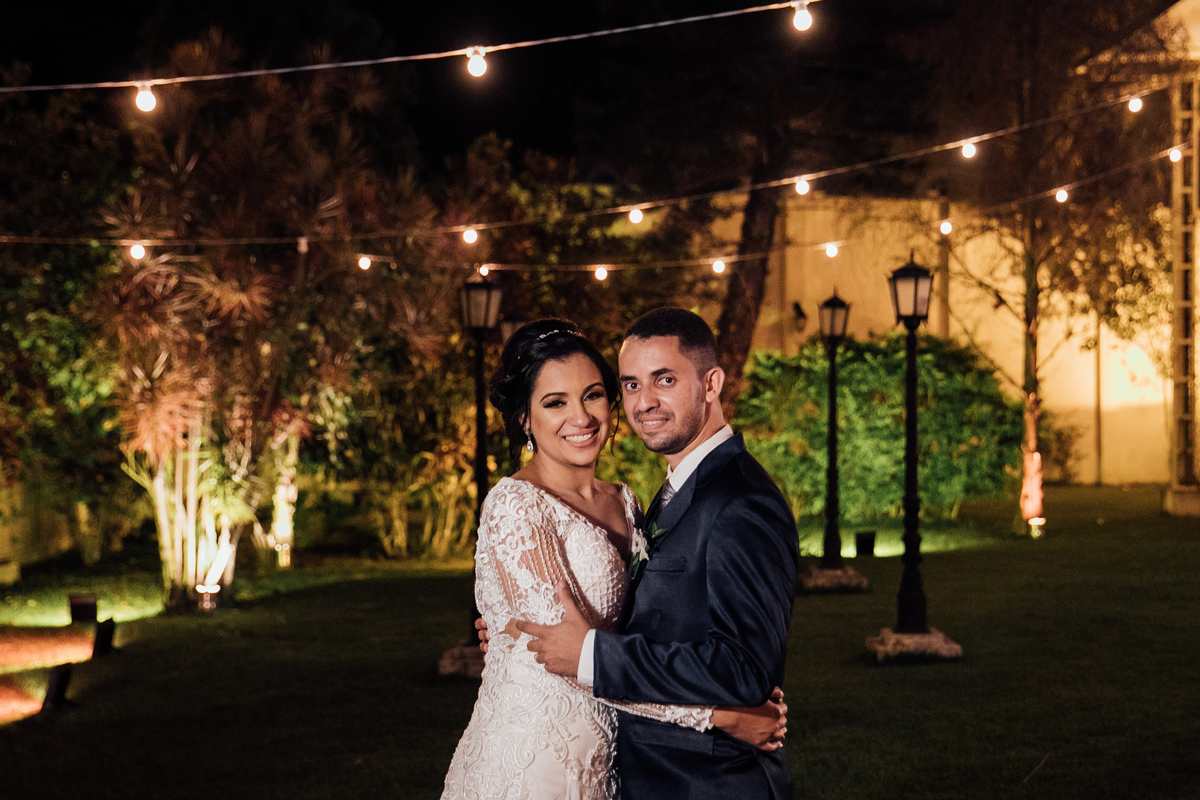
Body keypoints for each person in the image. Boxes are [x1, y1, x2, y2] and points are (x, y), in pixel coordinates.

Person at [441, 319, 786, 800]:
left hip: (611, 757)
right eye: (554, 402)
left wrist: (535, 644)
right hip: (535, 762)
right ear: (525, 418)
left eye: (593, 394)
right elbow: (564, 658)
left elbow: (602, 640)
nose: (580, 417)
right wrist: (721, 716)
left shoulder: (628, 502)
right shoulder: (516, 505)